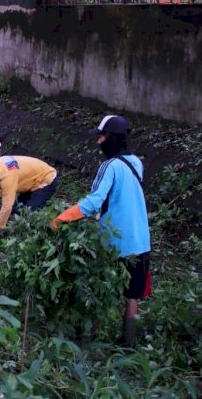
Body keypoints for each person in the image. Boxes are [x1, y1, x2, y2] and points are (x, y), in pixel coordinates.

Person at [50, 115, 150, 348]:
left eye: (102, 136)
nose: (98, 142)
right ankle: (129, 344)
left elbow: (93, 202)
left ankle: (87, 339)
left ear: (112, 139)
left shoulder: (109, 166)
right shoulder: (137, 162)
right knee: (132, 294)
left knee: (95, 284)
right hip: (141, 240)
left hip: (114, 241)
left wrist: (60, 218)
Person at [0, 155, 58, 247]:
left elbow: (6, 207)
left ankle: (46, 233)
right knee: (14, 213)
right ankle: (9, 232)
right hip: (30, 180)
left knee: (27, 215)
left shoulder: (7, 177)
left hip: (46, 179)